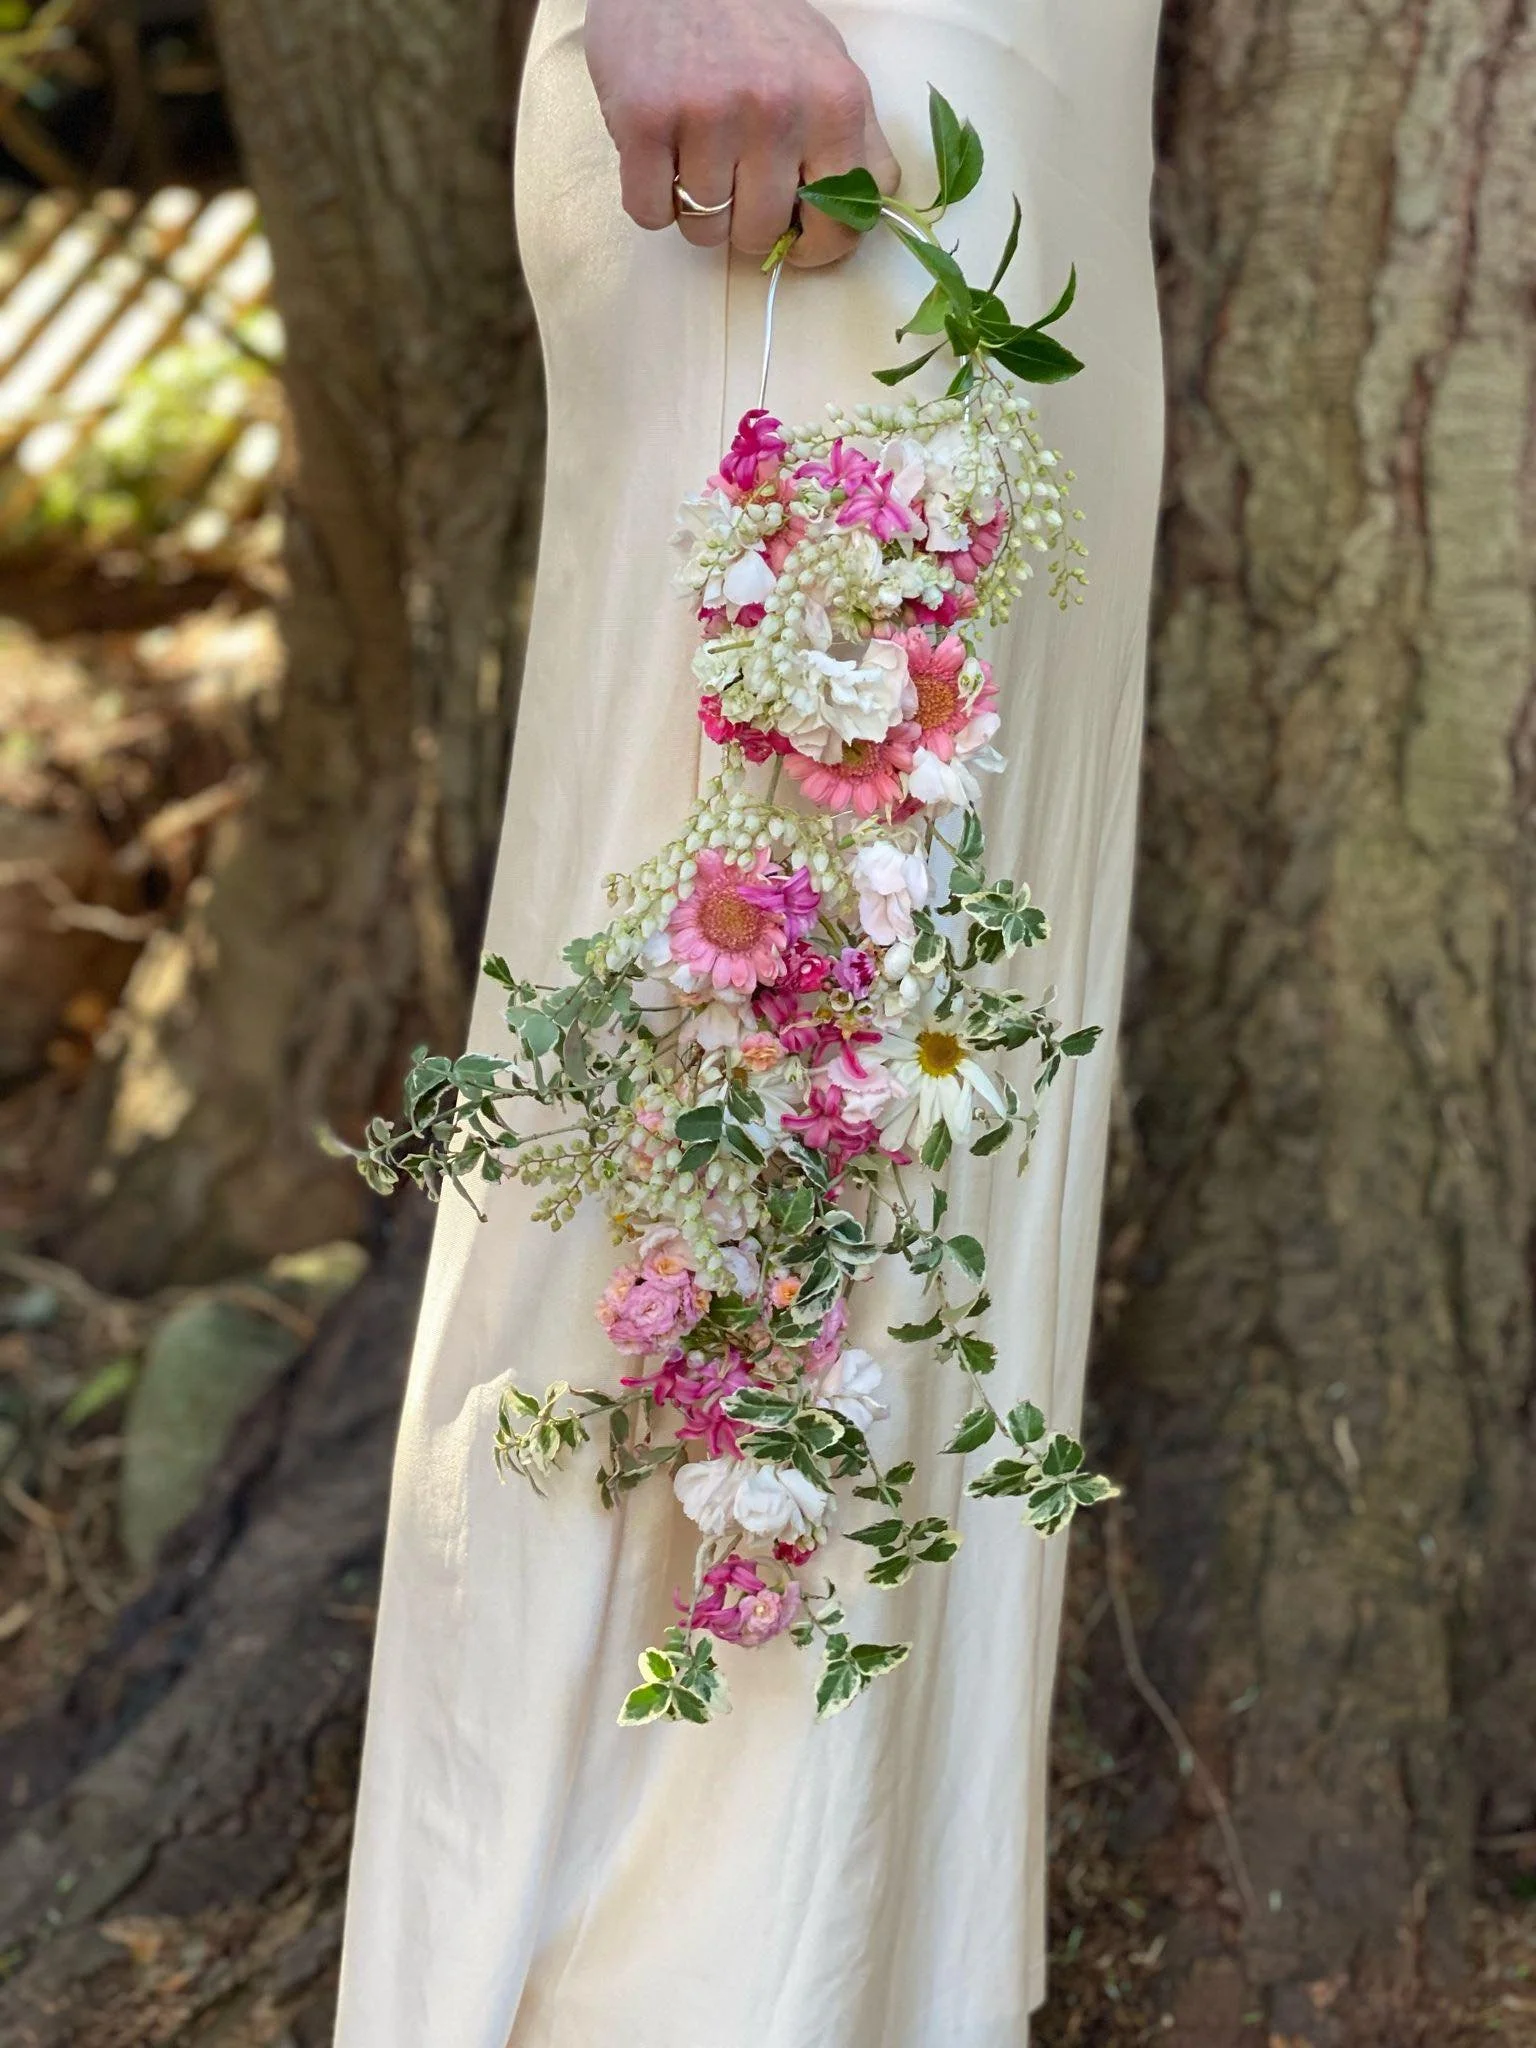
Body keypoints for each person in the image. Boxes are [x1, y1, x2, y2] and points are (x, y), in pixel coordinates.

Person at [334, 2, 1164, 2043]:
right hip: (806, 97)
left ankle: (854, 1983)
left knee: (907, 1120)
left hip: (1042, 127)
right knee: (739, 1108)